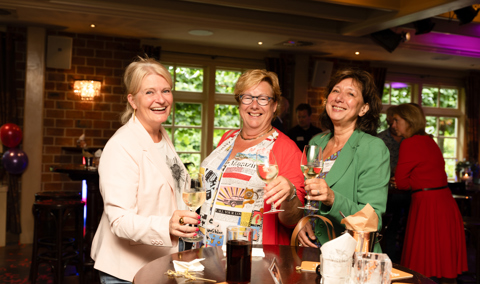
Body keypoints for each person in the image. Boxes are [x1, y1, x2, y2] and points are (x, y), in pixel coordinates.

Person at [90, 57, 198, 283]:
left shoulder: (160, 135)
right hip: (127, 271)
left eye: (166, 90)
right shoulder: (122, 145)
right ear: (133, 100)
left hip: (160, 263)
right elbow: (119, 220)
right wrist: (167, 225)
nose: (160, 99)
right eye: (149, 92)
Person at [198, 69, 306, 246]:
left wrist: (290, 194)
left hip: (251, 257)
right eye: (247, 97)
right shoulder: (227, 138)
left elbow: (293, 219)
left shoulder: (287, 148)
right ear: (240, 103)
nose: (254, 105)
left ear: (274, 106)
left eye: (263, 99)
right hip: (208, 248)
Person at [297, 68, 389, 252]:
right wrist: (303, 221)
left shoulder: (372, 148)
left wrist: (332, 198)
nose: (339, 98)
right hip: (309, 248)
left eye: (350, 94)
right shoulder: (317, 142)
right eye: (336, 91)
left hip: (349, 254)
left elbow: (372, 220)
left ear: (363, 108)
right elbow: (306, 196)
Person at [392, 103, 467, 283]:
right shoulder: (429, 140)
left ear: (409, 121)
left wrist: (406, 182)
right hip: (445, 202)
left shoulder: (409, 143)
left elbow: (401, 183)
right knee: (444, 261)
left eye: (396, 120)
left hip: (427, 203)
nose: (393, 125)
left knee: (421, 263)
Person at [377, 105, 409, 263]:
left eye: (396, 118)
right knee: (388, 230)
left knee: (406, 231)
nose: (392, 121)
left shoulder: (409, 138)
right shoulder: (381, 139)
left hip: (407, 193)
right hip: (387, 194)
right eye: (392, 118)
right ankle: (389, 262)